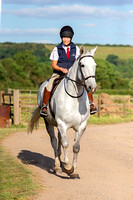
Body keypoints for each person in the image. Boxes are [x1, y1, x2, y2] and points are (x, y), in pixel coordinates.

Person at [40, 25, 98, 116]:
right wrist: (61, 69)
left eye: (67, 38)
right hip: (58, 74)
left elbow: (80, 62)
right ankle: (44, 106)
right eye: (64, 38)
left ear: (70, 38)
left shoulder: (77, 49)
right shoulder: (56, 49)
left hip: (72, 74)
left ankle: (91, 104)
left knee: (85, 83)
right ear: (61, 38)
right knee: (49, 84)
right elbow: (53, 65)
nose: (65, 40)